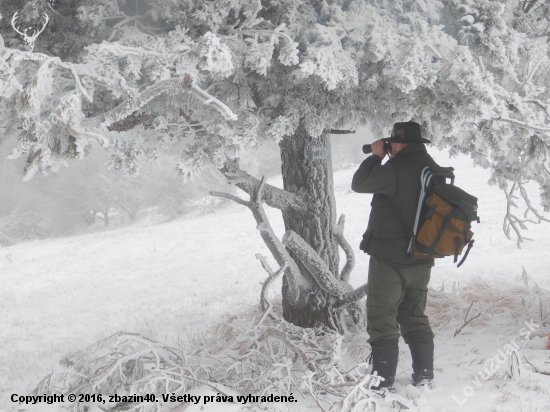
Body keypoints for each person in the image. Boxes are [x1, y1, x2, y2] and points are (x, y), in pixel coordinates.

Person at [351, 121, 439, 391]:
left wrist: (376, 157)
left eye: (391, 144)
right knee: (414, 313)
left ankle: (382, 379)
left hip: (390, 256)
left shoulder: (395, 168)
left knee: (382, 315)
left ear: (399, 144)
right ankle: (424, 374)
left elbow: (359, 183)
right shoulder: (432, 169)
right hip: (422, 255)